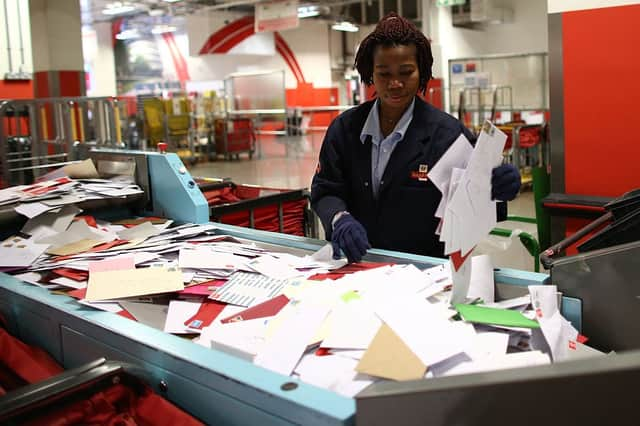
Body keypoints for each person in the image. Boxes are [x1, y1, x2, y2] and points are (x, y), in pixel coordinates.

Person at [310, 13, 521, 263]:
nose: (395, 83)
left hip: (423, 274)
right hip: (356, 265)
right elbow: (325, 190)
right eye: (384, 73)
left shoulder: (448, 135)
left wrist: (498, 187)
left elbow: (475, 203)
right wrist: (339, 218)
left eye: (406, 72)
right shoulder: (345, 129)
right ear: (370, 73)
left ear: (421, 72)